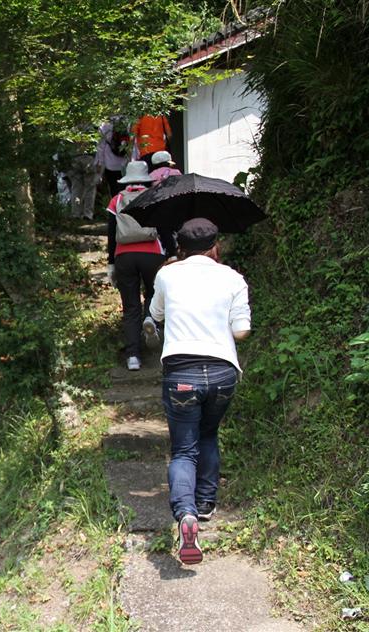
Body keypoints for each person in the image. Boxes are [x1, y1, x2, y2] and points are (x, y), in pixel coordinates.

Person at [147, 218, 251, 565]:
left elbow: (156, 313)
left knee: (183, 450)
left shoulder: (167, 274)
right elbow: (241, 332)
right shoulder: (233, 278)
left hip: (181, 373)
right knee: (209, 435)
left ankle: (185, 515)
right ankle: (206, 503)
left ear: (179, 247)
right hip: (222, 373)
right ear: (215, 247)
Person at [106, 161, 175, 371]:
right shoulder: (154, 197)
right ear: (146, 179)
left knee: (130, 306)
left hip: (124, 256)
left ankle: (133, 356)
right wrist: (171, 254)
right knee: (153, 295)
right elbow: (164, 229)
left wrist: (111, 263)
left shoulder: (116, 200)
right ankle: (150, 322)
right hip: (152, 254)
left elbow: (111, 234)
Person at [94, 116, 131, 197]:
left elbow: (100, 147)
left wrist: (99, 163)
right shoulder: (127, 121)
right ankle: (125, 207)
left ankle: (116, 207)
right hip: (125, 163)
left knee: (114, 190)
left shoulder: (104, 124)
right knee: (126, 189)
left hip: (110, 164)